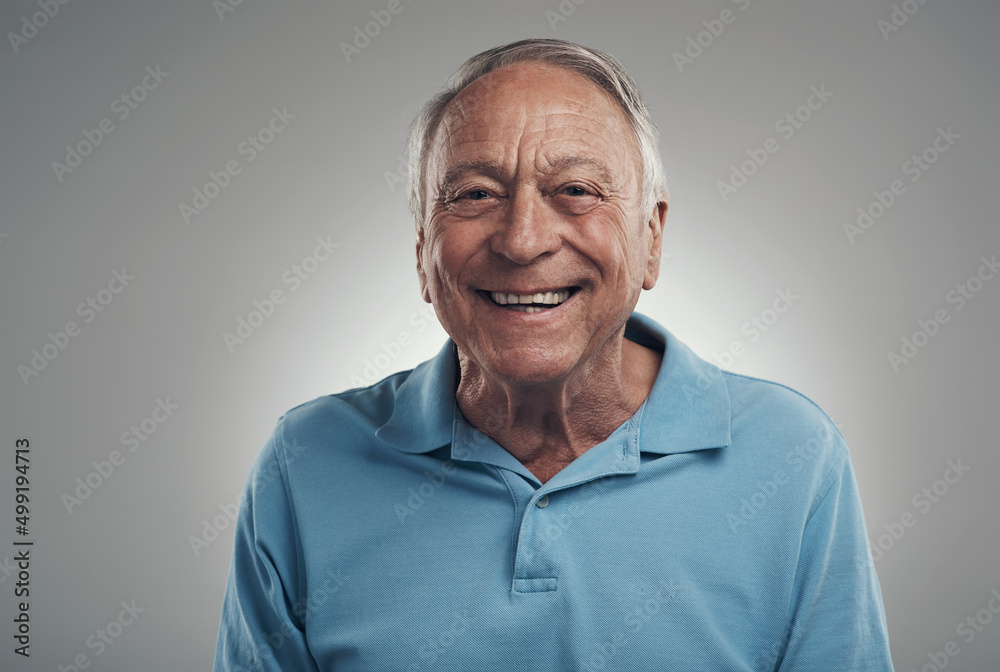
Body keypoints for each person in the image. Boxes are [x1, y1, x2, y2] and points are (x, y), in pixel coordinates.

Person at [213, 38, 894, 671]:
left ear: (651, 239)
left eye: (576, 190)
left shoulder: (792, 456)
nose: (523, 240)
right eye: (476, 194)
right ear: (423, 252)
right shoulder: (305, 463)